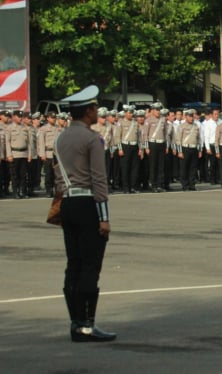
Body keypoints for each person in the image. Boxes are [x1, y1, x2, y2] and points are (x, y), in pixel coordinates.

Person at [55, 85, 116, 342]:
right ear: (88, 111)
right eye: (94, 109)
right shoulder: (92, 139)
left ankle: (75, 322)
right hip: (88, 205)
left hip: (67, 203)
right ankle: (88, 325)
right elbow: (99, 180)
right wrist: (104, 217)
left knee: (74, 264)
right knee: (91, 266)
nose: (97, 113)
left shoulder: (61, 137)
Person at [114, 105, 143, 193]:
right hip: (125, 146)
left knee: (135, 168)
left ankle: (133, 187)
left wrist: (141, 149)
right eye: (129, 113)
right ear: (125, 113)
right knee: (125, 168)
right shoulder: (121, 123)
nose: (131, 114)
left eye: (132, 113)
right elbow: (117, 137)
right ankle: (126, 188)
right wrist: (120, 149)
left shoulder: (135, 123)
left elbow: (139, 137)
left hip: (135, 146)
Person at [5, 110, 32, 199]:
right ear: (14, 117)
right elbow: (7, 142)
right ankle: (15, 192)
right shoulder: (9, 128)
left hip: (24, 154)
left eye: (21, 117)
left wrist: (29, 154)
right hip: (14, 154)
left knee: (23, 175)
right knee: (15, 175)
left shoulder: (25, 128)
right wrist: (9, 154)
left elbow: (28, 143)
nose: (20, 118)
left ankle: (23, 192)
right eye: (19, 117)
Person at [175, 109, 203, 191]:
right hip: (185, 148)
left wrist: (200, 150)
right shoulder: (182, 126)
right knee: (184, 168)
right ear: (186, 117)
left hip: (194, 148)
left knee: (193, 168)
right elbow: (178, 140)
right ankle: (185, 185)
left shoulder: (196, 126)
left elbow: (198, 139)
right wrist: (180, 151)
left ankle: (192, 184)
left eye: (192, 116)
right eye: (190, 116)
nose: (192, 118)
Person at [145, 103, 168, 192]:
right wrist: (147, 147)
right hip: (152, 143)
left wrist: (166, 145)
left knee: (161, 166)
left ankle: (159, 185)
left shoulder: (163, 120)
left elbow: (165, 134)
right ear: (153, 110)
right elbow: (145, 135)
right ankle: (153, 184)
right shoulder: (149, 120)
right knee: (153, 165)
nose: (158, 111)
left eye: (159, 109)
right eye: (156, 110)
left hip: (161, 143)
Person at [39, 112, 62, 197]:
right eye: (52, 117)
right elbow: (41, 142)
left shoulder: (58, 128)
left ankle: (56, 190)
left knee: (57, 174)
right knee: (48, 174)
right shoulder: (43, 129)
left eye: (54, 117)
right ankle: (48, 191)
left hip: (57, 154)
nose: (54, 119)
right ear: (48, 118)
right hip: (48, 153)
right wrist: (42, 154)